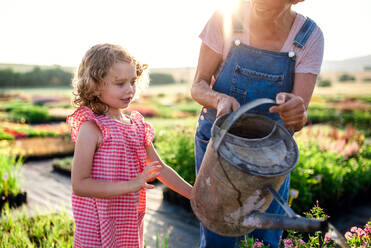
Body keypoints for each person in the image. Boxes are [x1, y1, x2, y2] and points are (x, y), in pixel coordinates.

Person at [191, 0, 324, 247]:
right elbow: (197, 85)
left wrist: (295, 111)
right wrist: (218, 98)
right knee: (218, 233)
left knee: (266, 239)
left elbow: (298, 116)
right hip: (219, 145)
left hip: (270, 155)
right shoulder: (226, 18)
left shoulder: (308, 36)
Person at [67, 43, 192, 248]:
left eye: (133, 81)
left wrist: (193, 195)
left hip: (127, 221)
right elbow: (79, 184)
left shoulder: (137, 127)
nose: (130, 89)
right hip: (97, 225)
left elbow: (160, 168)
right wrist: (131, 185)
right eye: (120, 83)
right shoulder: (92, 127)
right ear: (96, 85)